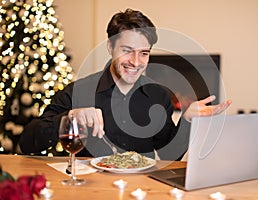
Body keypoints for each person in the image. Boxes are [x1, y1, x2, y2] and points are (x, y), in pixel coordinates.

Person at [19, 8, 231, 160]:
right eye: (127, 51)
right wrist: (70, 116)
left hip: (140, 189)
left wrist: (186, 120)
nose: (136, 62)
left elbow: (169, 155)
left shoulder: (159, 95)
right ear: (110, 47)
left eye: (144, 53)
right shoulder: (79, 91)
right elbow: (27, 143)